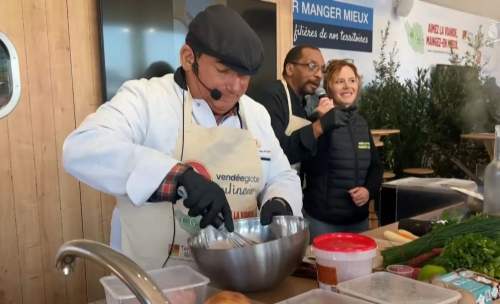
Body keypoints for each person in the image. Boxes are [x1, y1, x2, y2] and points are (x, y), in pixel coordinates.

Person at [63, 5, 302, 271]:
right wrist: (177, 177)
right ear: (189, 58)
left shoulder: (255, 113)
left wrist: (280, 201)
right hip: (155, 284)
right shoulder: (145, 98)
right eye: (224, 71)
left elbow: (282, 175)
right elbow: (81, 147)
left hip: (236, 276)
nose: (236, 87)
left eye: (244, 75)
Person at [302, 59, 383, 239]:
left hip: (358, 221)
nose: (347, 86)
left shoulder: (361, 123)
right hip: (323, 222)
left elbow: (376, 167)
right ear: (329, 87)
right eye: (340, 81)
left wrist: (368, 191)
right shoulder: (314, 123)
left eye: (352, 80)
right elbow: (310, 167)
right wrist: (321, 122)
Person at [252, 46, 344, 167]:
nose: (319, 75)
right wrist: (320, 125)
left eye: (322, 69)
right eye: (312, 66)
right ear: (290, 69)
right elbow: (275, 152)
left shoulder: (301, 105)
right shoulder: (271, 96)